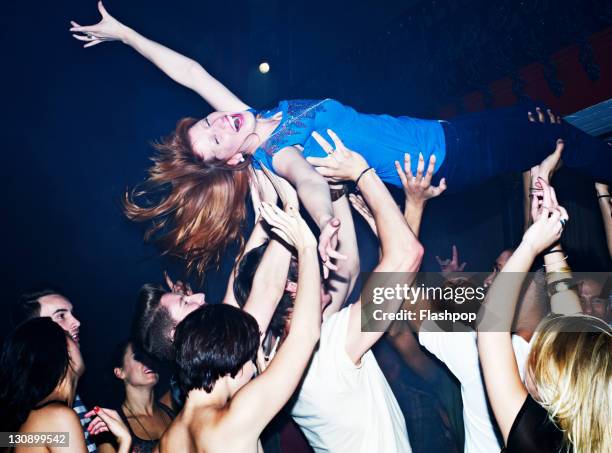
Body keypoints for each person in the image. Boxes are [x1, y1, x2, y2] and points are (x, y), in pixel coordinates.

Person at [69, 2, 611, 276]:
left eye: (208, 122)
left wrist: (124, 34)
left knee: (539, 121)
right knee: (555, 134)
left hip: (447, 134)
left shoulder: (253, 116)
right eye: (215, 138)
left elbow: (189, 73)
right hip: (450, 157)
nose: (218, 122)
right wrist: (327, 223)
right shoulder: (272, 153)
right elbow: (308, 182)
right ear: (232, 161)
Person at [236, 134, 425, 452]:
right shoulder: (330, 345)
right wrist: (361, 173)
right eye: (306, 263)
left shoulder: (281, 359)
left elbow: (347, 266)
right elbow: (407, 255)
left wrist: (335, 197)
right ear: (293, 287)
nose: (322, 270)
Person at [159, 201, 322, 453]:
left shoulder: (169, 440)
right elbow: (305, 335)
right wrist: (307, 246)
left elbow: (266, 290)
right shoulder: (234, 419)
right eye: (247, 357)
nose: (252, 365)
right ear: (230, 359)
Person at [478, 179, 611, 453]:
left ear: (554, 380)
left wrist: (529, 246)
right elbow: (573, 329)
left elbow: (490, 327)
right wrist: (550, 246)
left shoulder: (539, 443)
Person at [0, 317, 133, 453]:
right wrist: (124, 440)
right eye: (69, 337)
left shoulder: (29, 418)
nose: (78, 343)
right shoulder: (58, 416)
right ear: (65, 351)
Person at [10, 287, 110, 453]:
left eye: (72, 313)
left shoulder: (83, 390)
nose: (77, 322)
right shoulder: (27, 400)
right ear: (35, 333)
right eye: (61, 316)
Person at [111, 340, 175, 453]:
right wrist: (125, 442)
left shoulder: (172, 411)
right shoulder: (113, 425)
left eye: (150, 355)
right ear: (120, 372)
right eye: (138, 356)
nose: (148, 360)